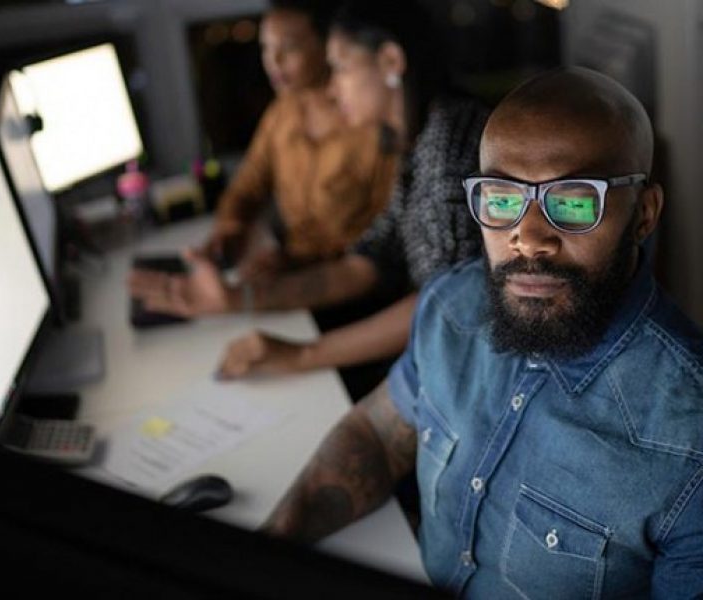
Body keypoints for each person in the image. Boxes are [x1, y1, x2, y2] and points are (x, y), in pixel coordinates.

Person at [258, 66, 703, 597]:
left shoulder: (688, 439)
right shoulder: (451, 308)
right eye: (502, 199)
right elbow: (377, 437)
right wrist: (266, 548)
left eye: (575, 202)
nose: (528, 238)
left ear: (645, 213)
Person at [130, 0, 489, 395]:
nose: (333, 88)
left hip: (463, 372)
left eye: (340, 67)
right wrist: (237, 297)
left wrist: (301, 355)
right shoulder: (413, 140)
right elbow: (366, 264)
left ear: (390, 61)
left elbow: (445, 307)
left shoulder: (451, 140)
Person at [197, 0, 398, 279]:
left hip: (344, 284)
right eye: (266, 47)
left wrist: (297, 264)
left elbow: (386, 241)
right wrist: (231, 229)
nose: (273, 62)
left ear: (328, 45)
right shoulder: (282, 113)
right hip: (287, 270)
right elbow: (248, 185)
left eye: (289, 48)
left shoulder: (369, 121)